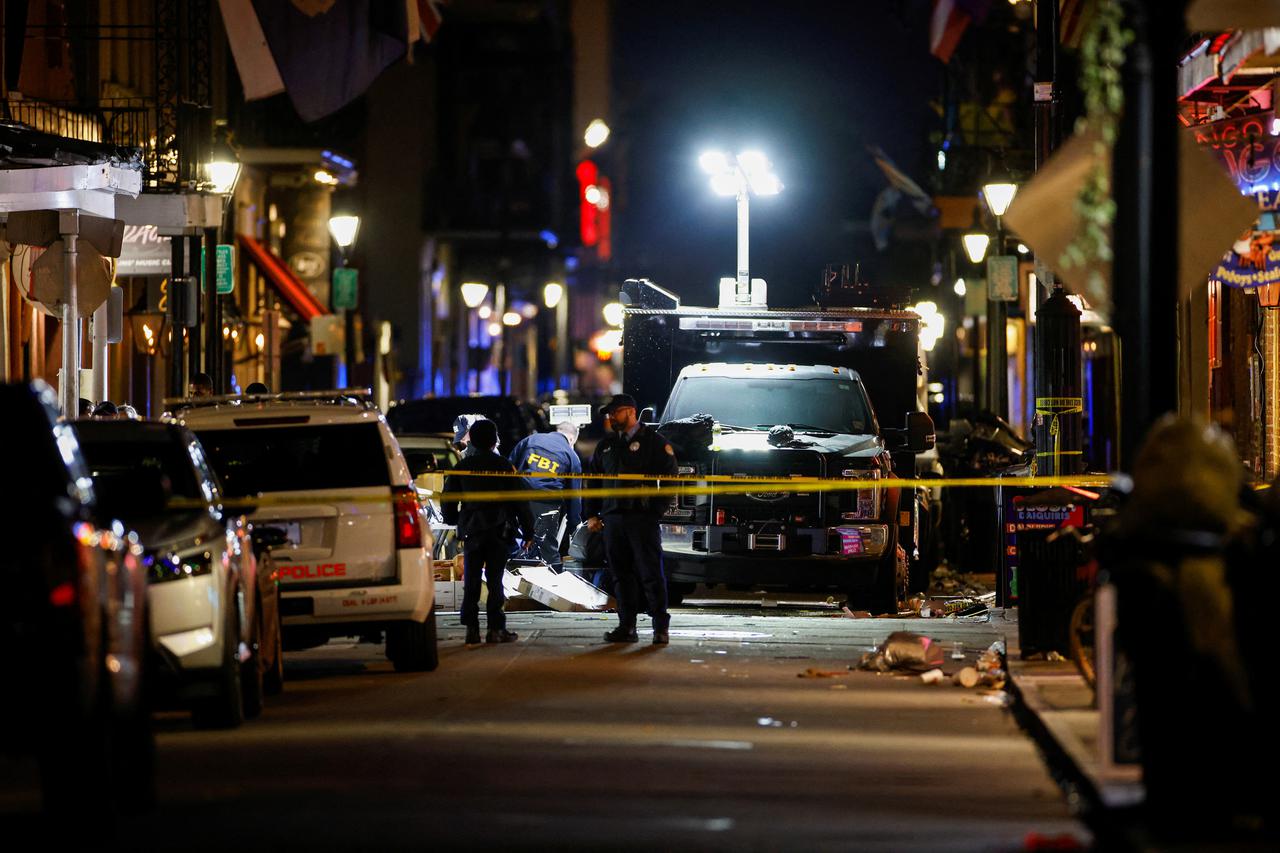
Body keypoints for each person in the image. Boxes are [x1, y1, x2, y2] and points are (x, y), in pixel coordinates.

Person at [584, 394, 678, 645]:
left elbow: (670, 481)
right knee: (620, 575)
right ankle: (626, 627)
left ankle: (660, 627)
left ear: (630, 412)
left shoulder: (653, 443)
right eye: (609, 414)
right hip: (613, 519)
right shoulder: (606, 445)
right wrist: (591, 513)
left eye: (615, 412)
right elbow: (592, 482)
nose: (610, 417)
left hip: (641, 518)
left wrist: (655, 511)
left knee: (650, 573)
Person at [440, 418, 535, 646]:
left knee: (472, 580)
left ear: (471, 439)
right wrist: (528, 530)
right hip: (499, 530)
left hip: (472, 530)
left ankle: (472, 629)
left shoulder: (462, 467)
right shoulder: (504, 466)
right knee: (495, 580)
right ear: (494, 440)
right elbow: (520, 501)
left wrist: (454, 519)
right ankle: (496, 629)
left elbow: (448, 499)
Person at [509, 422, 582, 570]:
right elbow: (574, 495)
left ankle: (511, 578)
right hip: (547, 504)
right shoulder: (571, 454)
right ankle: (553, 585)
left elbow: (508, 466)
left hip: (518, 498)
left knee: (517, 545)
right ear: (572, 439)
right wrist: (575, 525)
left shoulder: (530, 440)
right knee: (547, 551)